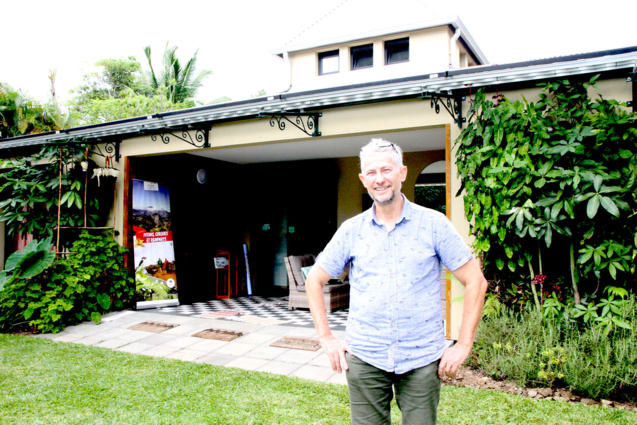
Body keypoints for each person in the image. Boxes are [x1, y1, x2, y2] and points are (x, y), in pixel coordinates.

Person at [305, 138, 488, 424]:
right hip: (365, 356)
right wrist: (326, 338)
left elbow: (476, 282)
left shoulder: (434, 224)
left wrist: (463, 345)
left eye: (386, 170)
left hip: (422, 360)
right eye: (372, 173)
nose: (380, 179)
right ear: (363, 179)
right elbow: (314, 280)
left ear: (401, 173)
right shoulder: (351, 231)